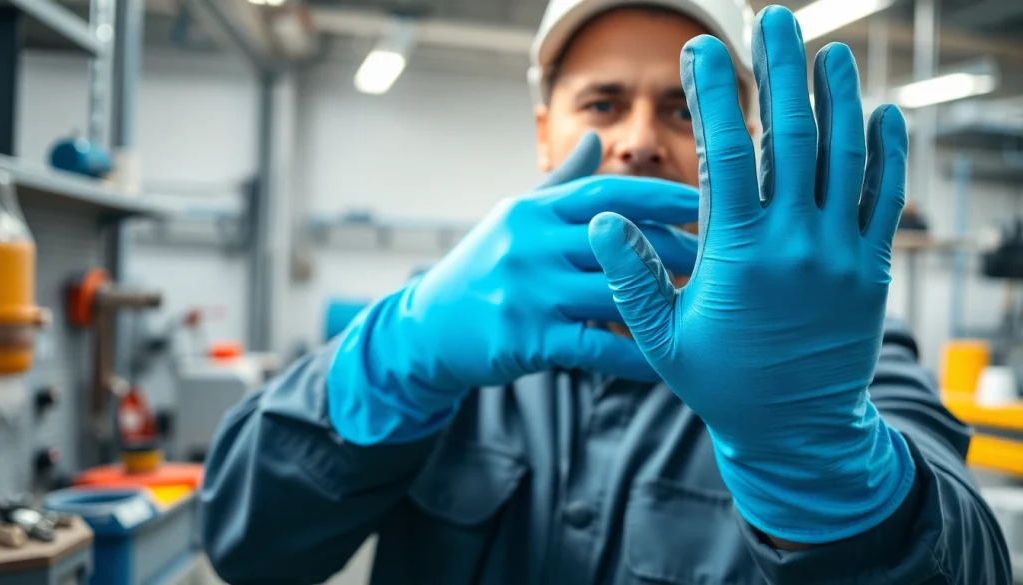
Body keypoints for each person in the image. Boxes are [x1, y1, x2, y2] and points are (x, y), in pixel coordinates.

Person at [199, 1, 1013, 583]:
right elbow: (247, 546)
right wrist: (395, 354)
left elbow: (970, 565)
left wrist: (818, 458)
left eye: (686, 110)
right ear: (544, 128)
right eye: (602, 102)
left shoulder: (843, 359)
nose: (638, 140)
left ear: (746, 142)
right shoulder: (440, 326)